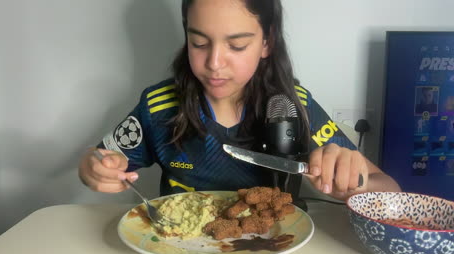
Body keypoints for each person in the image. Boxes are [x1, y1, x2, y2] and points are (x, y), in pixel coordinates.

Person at [78, 0, 400, 201]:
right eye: (199, 42)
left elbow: (388, 187)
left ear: (266, 42)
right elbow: (98, 158)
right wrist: (93, 167)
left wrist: (354, 184)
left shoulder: (293, 107)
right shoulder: (158, 107)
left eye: (237, 45)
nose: (215, 63)